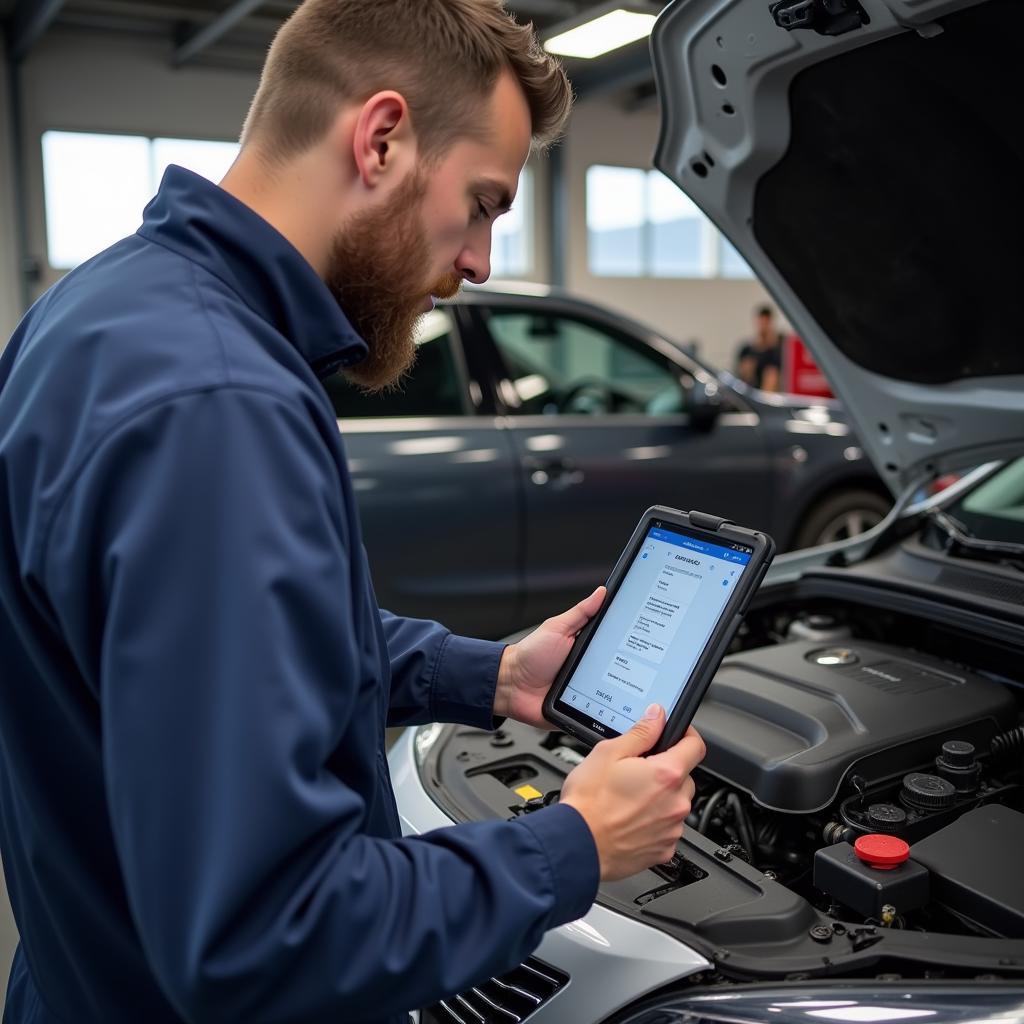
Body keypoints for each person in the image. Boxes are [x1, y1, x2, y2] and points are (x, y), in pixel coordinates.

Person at [0, 1, 706, 1022]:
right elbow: (269, 936)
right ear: (380, 140)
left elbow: (222, 652)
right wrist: (572, 842)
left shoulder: (99, 308)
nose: (480, 263)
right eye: (481, 202)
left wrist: (491, 674)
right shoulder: (220, 404)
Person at [735, 304, 784, 392]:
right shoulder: (746, 351)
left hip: (769, 393)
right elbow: (741, 378)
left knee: (771, 374)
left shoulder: (778, 350)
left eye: (766, 323)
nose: (763, 327)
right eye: (761, 323)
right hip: (750, 391)